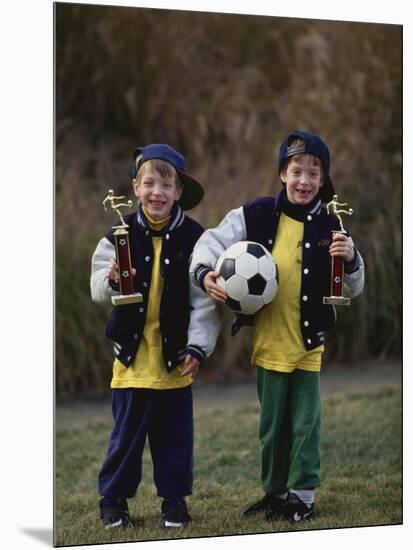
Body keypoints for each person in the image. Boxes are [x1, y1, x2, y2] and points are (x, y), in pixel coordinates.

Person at [189, 130, 365, 522]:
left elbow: (354, 284)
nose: (304, 181)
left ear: (323, 180)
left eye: (313, 174)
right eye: (296, 171)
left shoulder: (331, 224)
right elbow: (210, 242)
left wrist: (352, 259)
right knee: (271, 428)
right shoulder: (254, 213)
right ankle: (274, 493)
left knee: (305, 425)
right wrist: (204, 273)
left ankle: (302, 497)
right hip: (268, 344)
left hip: (306, 345)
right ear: (282, 174)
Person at [91, 144, 220, 530]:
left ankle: (174, 503)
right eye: (149, 184)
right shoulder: (118, 234)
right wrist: (111, 279)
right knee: (126, 440)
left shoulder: (196, 239)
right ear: (135, 187)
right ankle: (113, 500)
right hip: (131, 361)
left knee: (175, 440)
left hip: (175, 361)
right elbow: (97, 288)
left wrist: (199, 346)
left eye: (166, 185)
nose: (157, 193)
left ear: (179, 191)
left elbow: (205, 303)